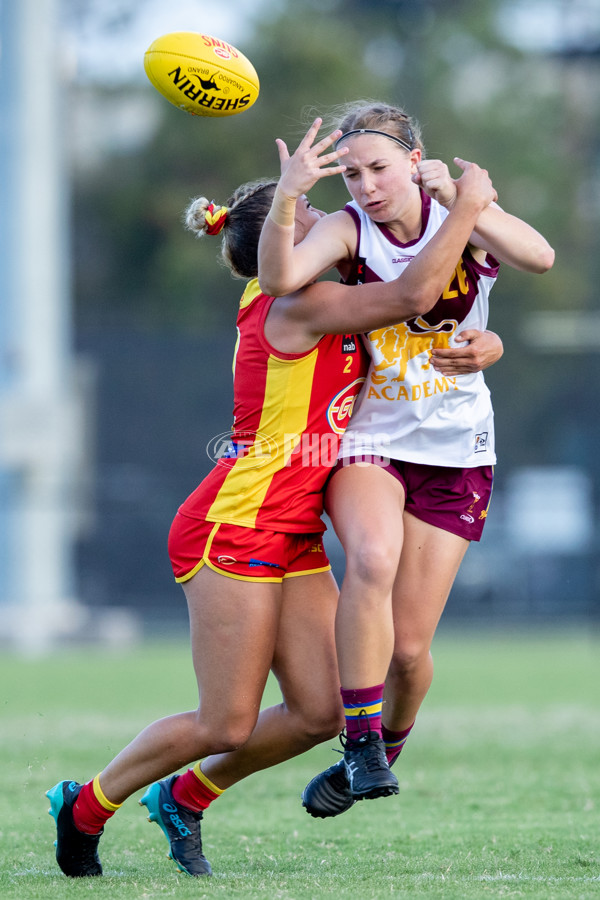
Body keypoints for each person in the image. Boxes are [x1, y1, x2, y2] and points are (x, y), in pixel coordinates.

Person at [46, 132, 500, 878]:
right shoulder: (297, 302)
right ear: (287, 241)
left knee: (322, 712)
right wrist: (469, 206)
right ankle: (86, 804)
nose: (339, 224)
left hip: (291, 528)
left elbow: (430, 321)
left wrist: (490, 343)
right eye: (319, 217)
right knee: (222, 719)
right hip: (234, 523)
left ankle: (183, 799)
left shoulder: (324, 295)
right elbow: (415, 293)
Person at [257, 102, 555, 814]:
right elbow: (279, 277)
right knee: (372, 559)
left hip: (458, 445)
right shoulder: (349, 228)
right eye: (352, 173)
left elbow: (539, 256)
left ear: (416, 157)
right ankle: (358, 744)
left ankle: (383, 749)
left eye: (378, 168)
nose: (364, 185)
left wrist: (469, 203)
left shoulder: (462, 208)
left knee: (410, 654)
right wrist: (290, 194)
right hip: (371, 436)